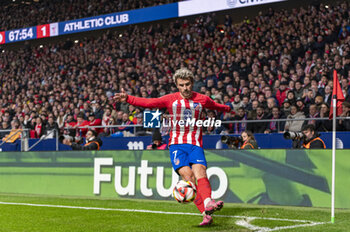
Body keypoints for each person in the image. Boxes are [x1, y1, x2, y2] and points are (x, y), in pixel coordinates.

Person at [114, 68, 230, 226]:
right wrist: (128, 98)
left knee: (200, 172)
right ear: (177, 85)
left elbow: (216, 106)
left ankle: (209, 203)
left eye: (188, 84)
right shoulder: (171, 99)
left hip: (195, 143)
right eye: (181, 85)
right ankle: (206, 214)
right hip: (176, 145)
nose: (185, 88)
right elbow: (149, 103)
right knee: (188, 178)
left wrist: (228, 108)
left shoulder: (202, 99)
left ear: (192, 83)